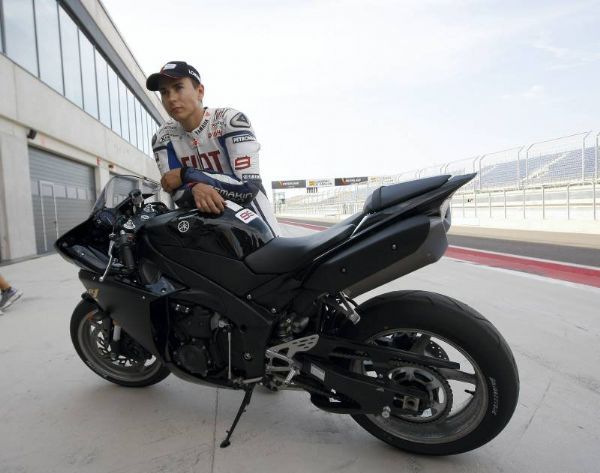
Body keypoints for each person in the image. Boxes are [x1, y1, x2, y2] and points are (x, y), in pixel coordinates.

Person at [146, 61, 280, 235]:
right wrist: (195, 188)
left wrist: (186, 175)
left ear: (200, 91)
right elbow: (175, 191)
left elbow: (247, 188)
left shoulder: (229, 120)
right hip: (207, 227)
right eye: (164, 92)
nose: (171, 98)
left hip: (256, 223)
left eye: (178, 88)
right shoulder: (162, 137)